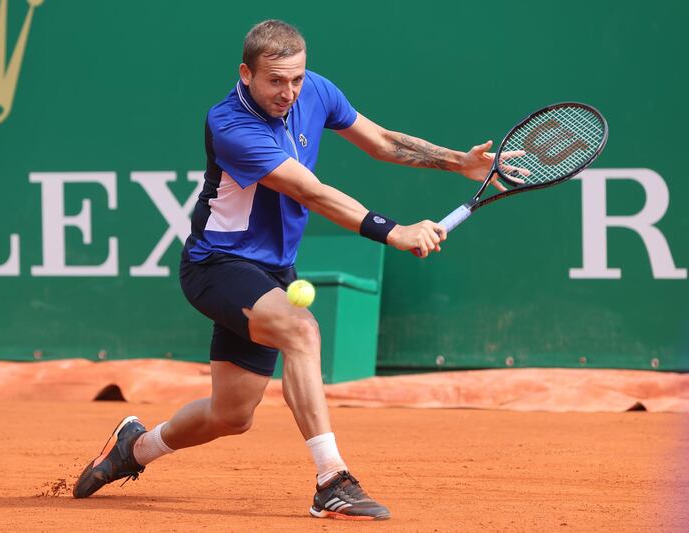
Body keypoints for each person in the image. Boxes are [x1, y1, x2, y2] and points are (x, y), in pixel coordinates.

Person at [73, 19, 523, 520]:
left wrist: (459, 162)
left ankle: (133, 448)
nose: (288, 92)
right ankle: (332, 479)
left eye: (296, 79)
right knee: (302, 331)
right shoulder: (230, 125)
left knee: (232, 415)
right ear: (246, 74)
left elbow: (381, 142)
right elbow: (310, 190)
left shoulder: (315, 90)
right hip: (218, 265)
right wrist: (392, 230)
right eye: (275, 81)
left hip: (273, 270)